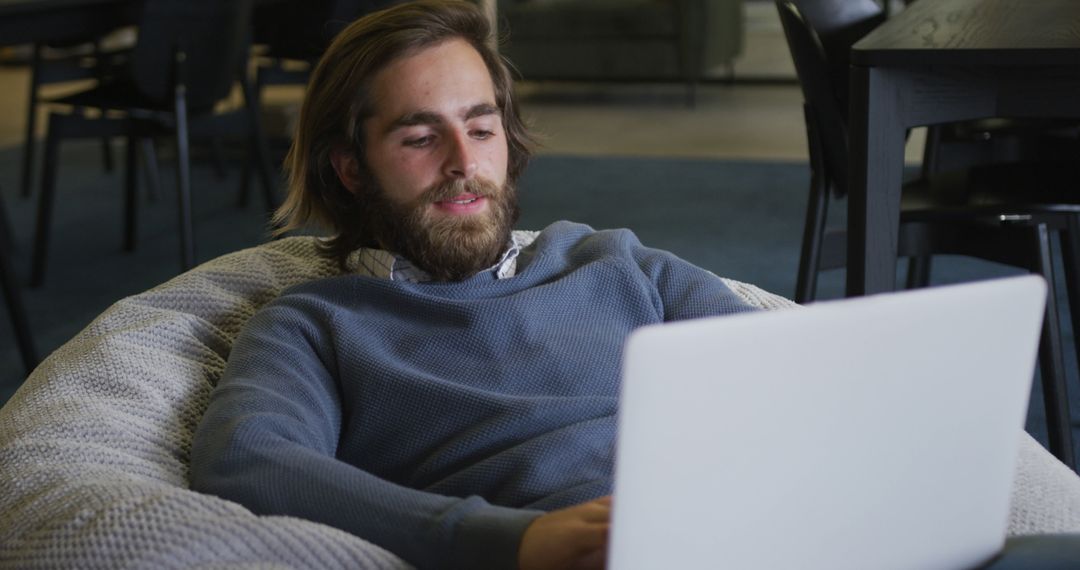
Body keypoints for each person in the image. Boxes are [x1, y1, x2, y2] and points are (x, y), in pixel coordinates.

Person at [189, 1, 758, 568]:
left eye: (482, 128)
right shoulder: (316, 325)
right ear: (352, 168)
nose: (465, 161)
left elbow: (791, 375)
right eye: (419, 138)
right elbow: (245, 459)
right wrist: (505, 539)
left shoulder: (617, 262)